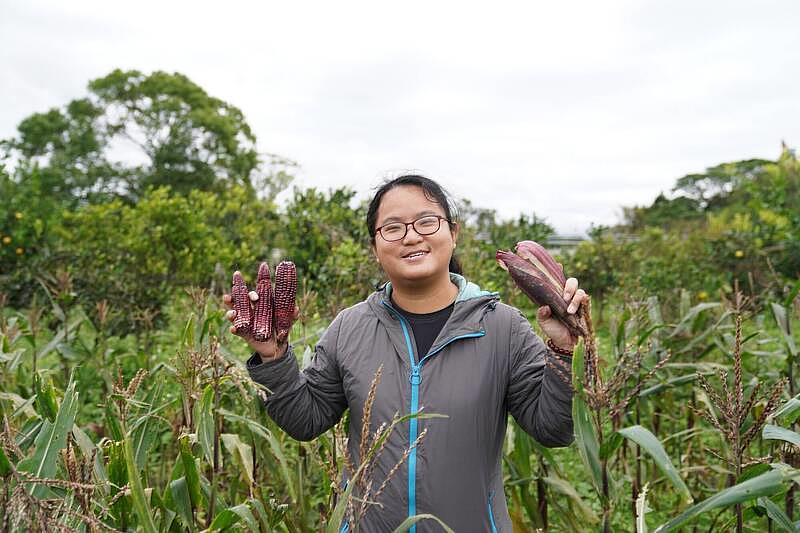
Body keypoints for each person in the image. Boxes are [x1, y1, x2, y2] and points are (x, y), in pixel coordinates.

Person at [223, 175, 587, 532]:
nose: (412, 236)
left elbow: (554, 428)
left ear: (453, 233)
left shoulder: (503, 328)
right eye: (393, 228)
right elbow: (306, 419)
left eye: (427, 222)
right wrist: (273, 357)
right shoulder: (350, 328)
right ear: (375, 247)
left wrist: (564, 351)